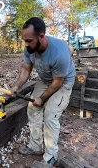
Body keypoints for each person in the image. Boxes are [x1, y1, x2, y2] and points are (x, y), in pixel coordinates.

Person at [10, 17, 75, 167]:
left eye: (29, 41)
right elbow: (26, 70)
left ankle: (51, 155)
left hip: (62, 83)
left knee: (50, 115)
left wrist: (42, 98)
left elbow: (57, 82)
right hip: (45, 80)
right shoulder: (29, 48)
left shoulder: (59, 52)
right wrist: (16, 87)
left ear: (41, 36)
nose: (26, 45)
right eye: (24, 40)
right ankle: (36, 146)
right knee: (32, 109)